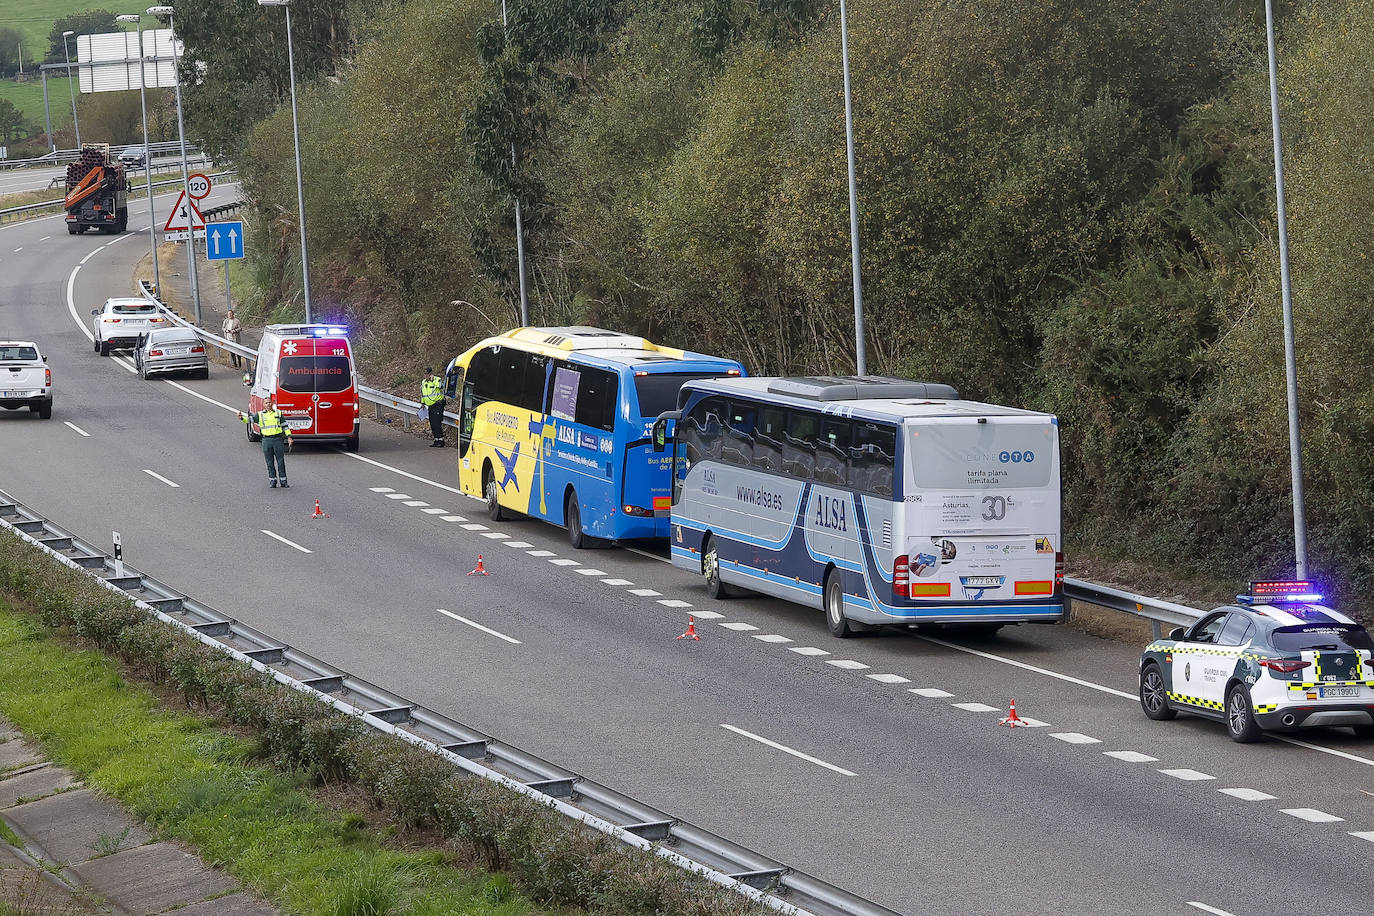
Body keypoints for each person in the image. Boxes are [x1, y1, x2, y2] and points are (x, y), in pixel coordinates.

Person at [238, 395, 293, 488]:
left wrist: (289, 437)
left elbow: (285, 426)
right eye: (266, 403)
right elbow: (249, 420)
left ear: (272, 403)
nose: (268, 404)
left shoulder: (278, 413)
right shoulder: (260, 415)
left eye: (269, 402)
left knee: (280, 461)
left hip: (278, 440)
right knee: (269, 462)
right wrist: (241, 418)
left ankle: (283, 481)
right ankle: (273, 481)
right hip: (266, 440)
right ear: (263, 405)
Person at [420, 366, 446, 447]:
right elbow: (423, 394)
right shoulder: (424, 382)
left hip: (438, 404)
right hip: (430, 405)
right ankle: (436, 440)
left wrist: (432, 380)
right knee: (432, 423)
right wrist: (423, 403)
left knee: (437, 422)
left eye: (427, 374)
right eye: (424, 374)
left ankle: (441, 440)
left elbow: (441, 387)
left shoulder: (437, 379)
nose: (425, 376)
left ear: (430, 374)